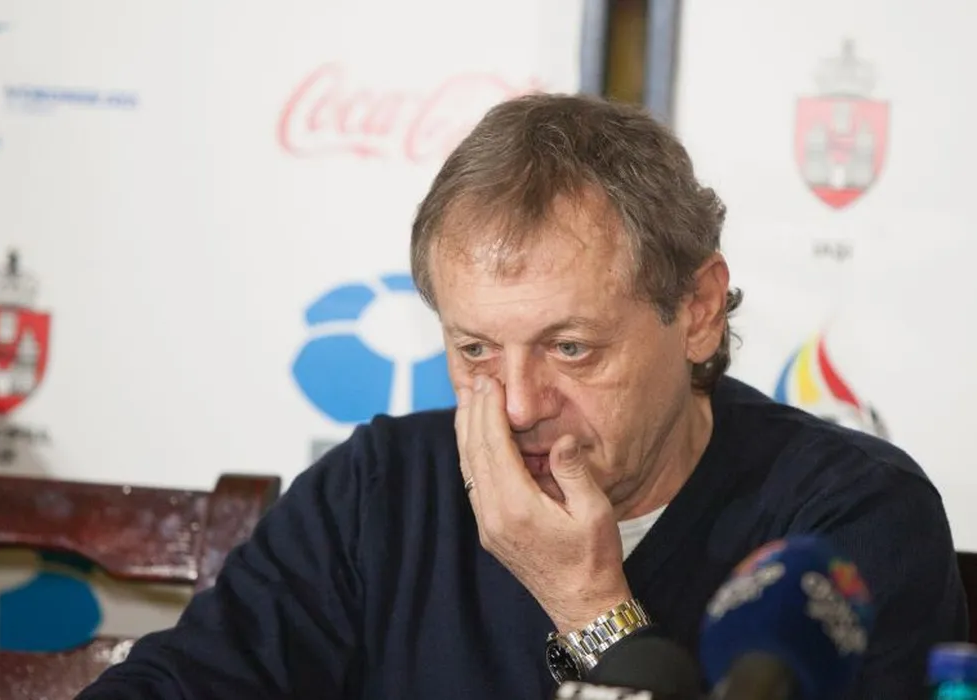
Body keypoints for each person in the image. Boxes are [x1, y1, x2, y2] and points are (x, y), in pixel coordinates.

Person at [76, 93, 967, 700]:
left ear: (696, 311)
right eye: (474, 350)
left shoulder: (848, 521)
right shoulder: (381, 489)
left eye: (570, 348)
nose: (514, 406)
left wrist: (589, 606)